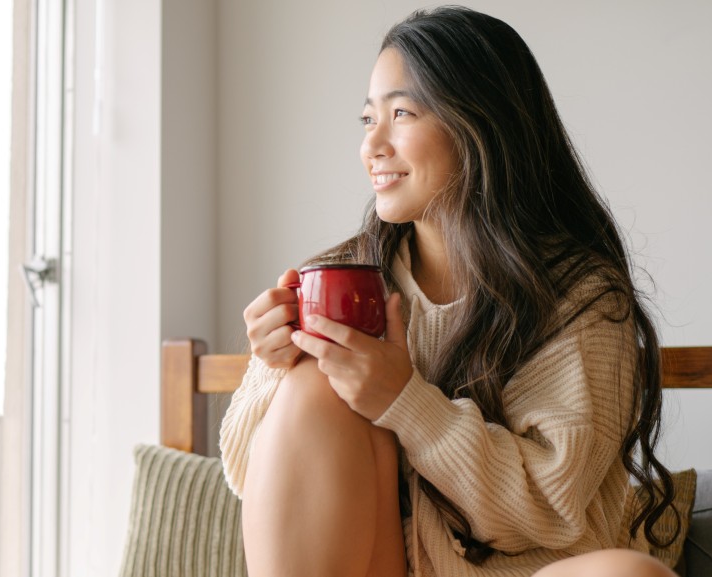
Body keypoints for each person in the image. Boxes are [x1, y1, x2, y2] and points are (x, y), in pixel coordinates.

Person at [219, 6, 679, 577]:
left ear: (481, 124)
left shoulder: (578, 296)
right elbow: (250, 476)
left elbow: (552, 508)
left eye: (402, 113)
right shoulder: (345, 277)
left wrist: (404, 402)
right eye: (368, 120)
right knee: (317, 381)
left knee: (630, 576)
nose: (373, 145)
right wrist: (274, 364)